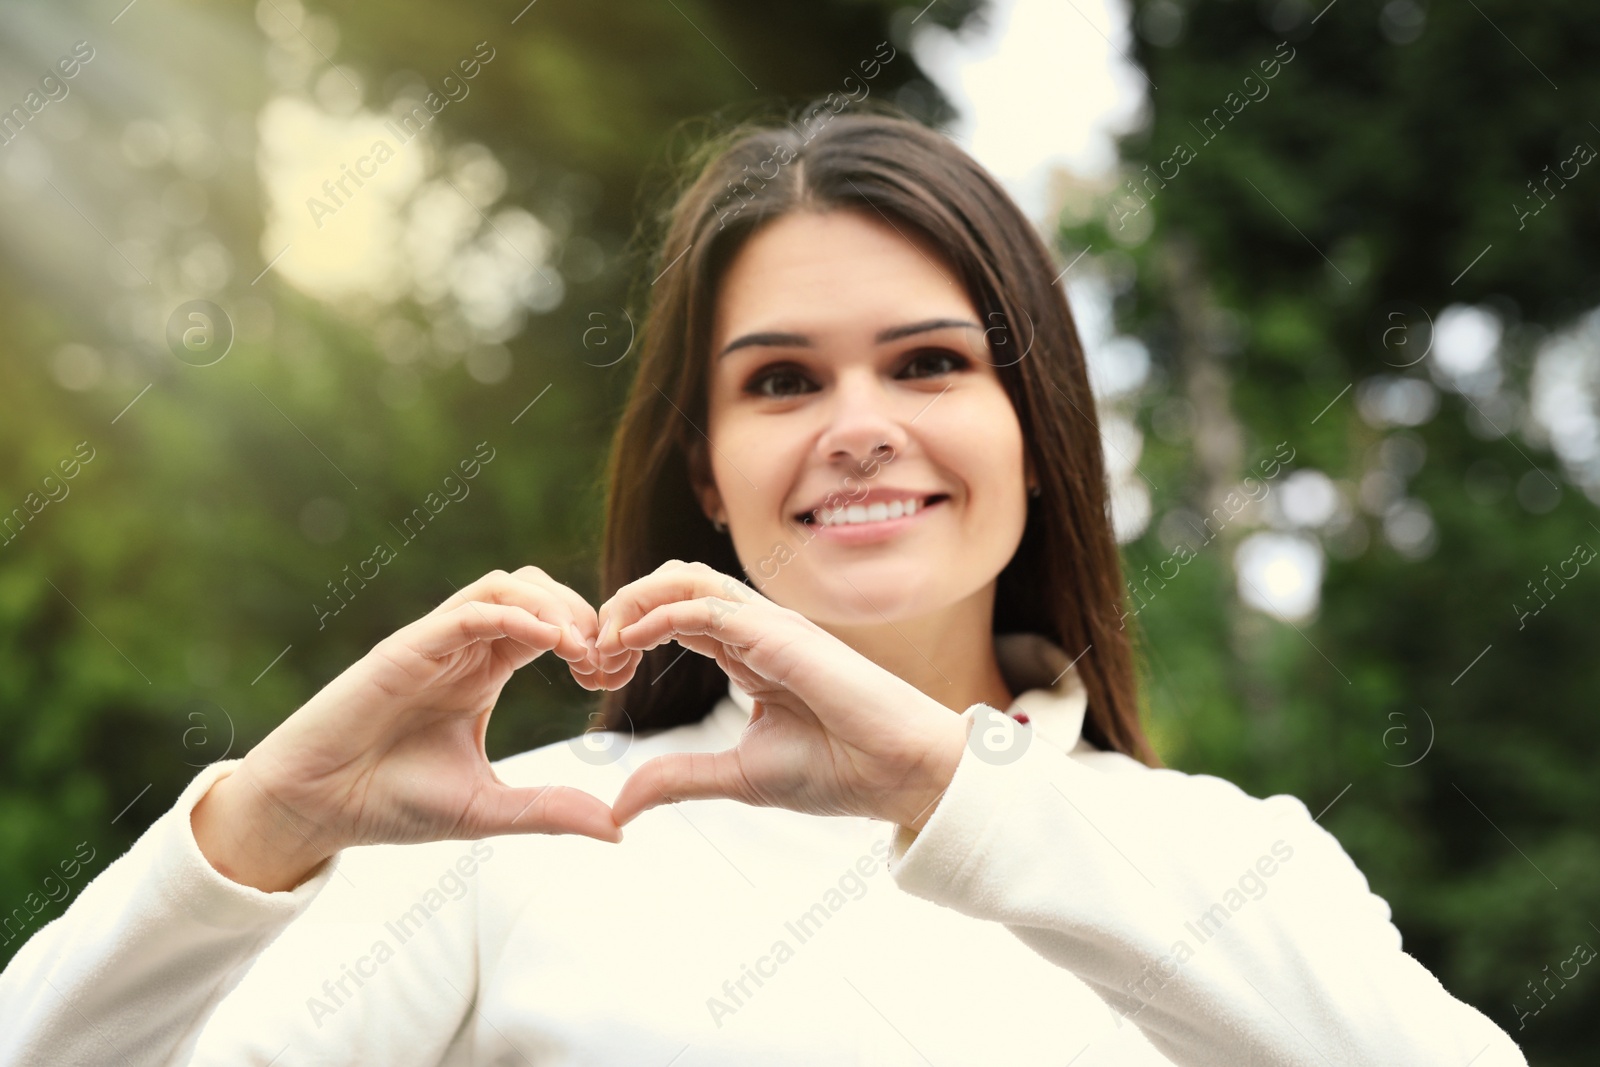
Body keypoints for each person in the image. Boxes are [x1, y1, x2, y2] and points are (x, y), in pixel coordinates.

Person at [0, 100, 1528, 1066]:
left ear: (1039, 435)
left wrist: (953, 793)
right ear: (708, 473)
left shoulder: (1221, 857)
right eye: (781, 380)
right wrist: (260, 824)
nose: (860, 425)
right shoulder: (518, 837)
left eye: (930, 362)